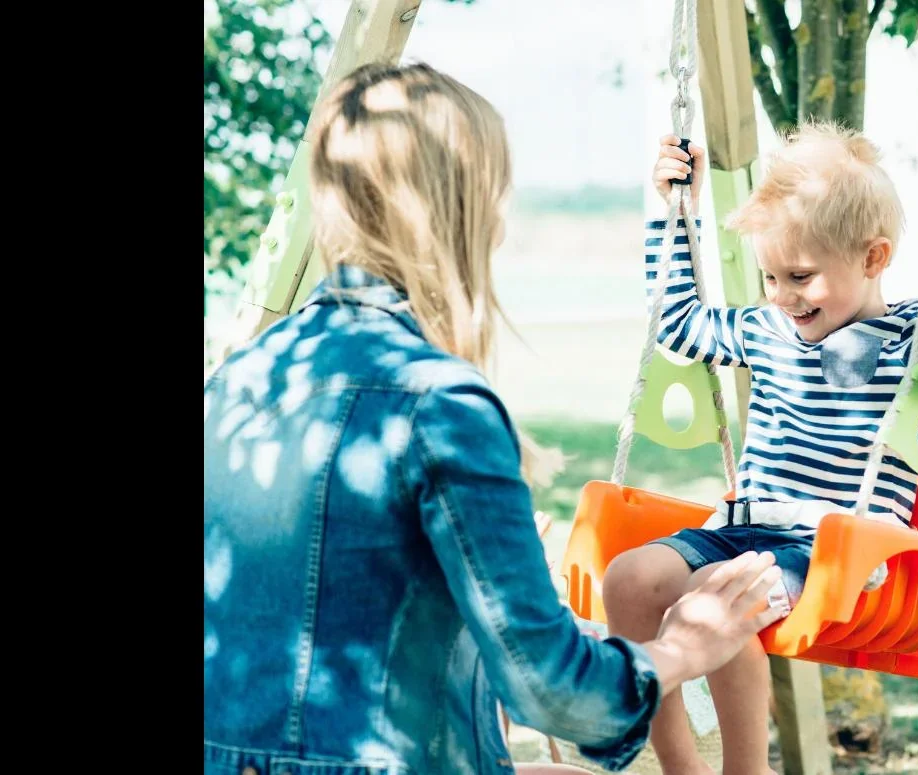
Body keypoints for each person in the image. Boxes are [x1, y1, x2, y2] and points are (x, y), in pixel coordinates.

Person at [203, 62, 787, 775]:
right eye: (496, 200)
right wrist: (682, 647)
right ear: (460, 209)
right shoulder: (440, 406)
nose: (502, 227)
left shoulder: (238, 379)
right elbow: (553, 691)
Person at [601, 123, 918, 775]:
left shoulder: (908, 335)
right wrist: (675, 215)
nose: (782, 296)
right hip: (741, 527)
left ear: (872, 258)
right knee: (629, 578)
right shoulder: (765, 327)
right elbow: (675, 325)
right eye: (769, 277)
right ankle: (678, 763)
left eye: (800, 276)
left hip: (839, 547)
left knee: (710, 602)